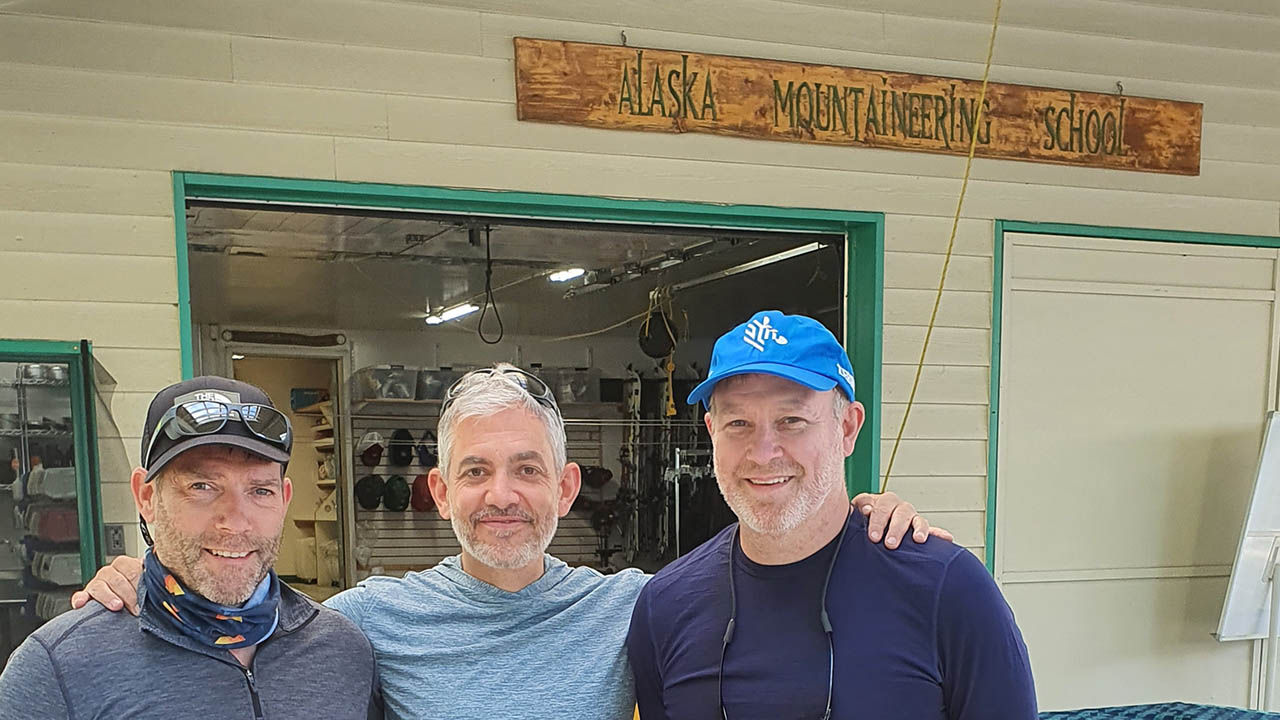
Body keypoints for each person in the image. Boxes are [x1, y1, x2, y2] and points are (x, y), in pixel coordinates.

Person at [73, 366, 947, 719]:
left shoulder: (639, 603)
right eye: (478, 472)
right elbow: (239, 616)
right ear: (441, 491)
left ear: (565, 489)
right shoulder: (366, 621)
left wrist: (859, 517)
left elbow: (773, 569)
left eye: (528, 469)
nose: (503, 497)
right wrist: (140, 571)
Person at [627, 310, 1038, 719]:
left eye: (792, 420)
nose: (763, 452)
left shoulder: (948, 592)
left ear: (847, 428)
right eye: (738, 423)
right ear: (712, 431)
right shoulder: (663, 607)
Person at [0, 377, 378, 719]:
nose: (235, 521)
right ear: (146, 497)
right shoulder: (60, 669)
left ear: (285, 498)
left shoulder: (343, 651)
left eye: (260, 490)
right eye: (202, 487)